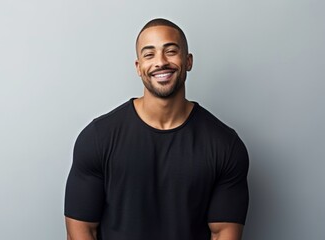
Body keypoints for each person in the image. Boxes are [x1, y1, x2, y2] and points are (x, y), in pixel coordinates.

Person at [64, 18, 249, 240]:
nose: (160, 62)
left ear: (188, 61)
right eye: (149, 54)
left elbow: (223, 234)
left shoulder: (225, 145)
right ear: (138, 67)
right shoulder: (97, 138)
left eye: (171, 51)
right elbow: (82, 231)